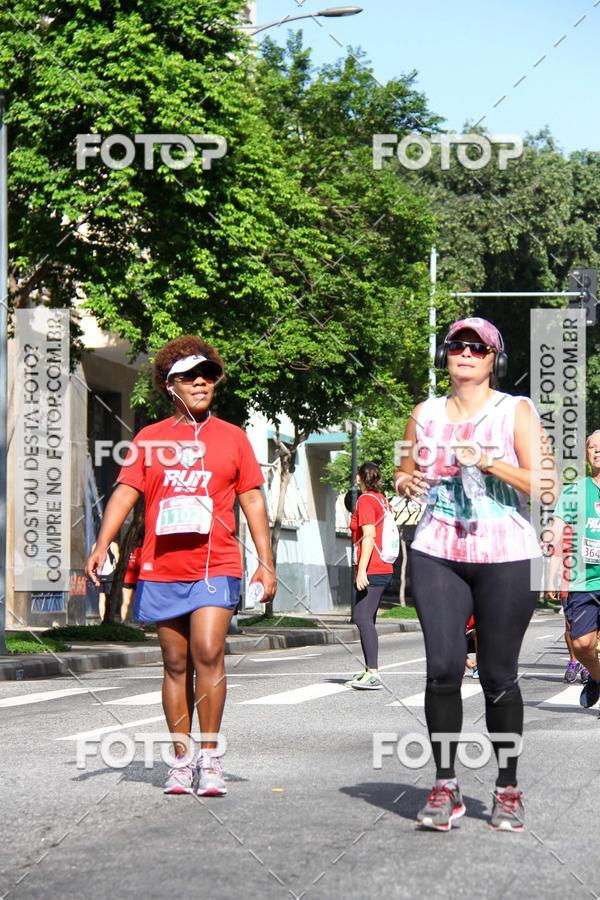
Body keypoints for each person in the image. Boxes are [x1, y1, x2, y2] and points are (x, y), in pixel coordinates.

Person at [85, 336, 276, 796]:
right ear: (170, 385)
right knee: (175, 663)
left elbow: (252, 500)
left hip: (216, 563)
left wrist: (265, 563)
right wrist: (102, 543)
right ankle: (181, 759)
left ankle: (209, 758)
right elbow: (126, 493)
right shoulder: (149, 439)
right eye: (190, 376)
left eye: (207, 375)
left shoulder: (233, 438)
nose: (201, 382)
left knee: (208, 651)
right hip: (162, 566)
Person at [395, 316, 554, 833]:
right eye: (457, 345)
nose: (465, 353)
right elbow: (401, 468)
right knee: (442, 669)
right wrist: (404, 481)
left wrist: (488, 461)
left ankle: (507, 789)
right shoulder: (424, 413)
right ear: (445, 355)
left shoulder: (516, 411)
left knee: (497, 675)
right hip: (437, 549)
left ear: (494, 360)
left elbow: (547, 486)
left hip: (506, 554)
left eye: (478, 348)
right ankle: (446, 785)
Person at [547, 431, 600, 708]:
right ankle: (596, 676)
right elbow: (556, 530)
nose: (597, 451)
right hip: (583, 581)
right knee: (581, 645)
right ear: (587, 455)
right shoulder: (575, 491)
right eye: (593, 447)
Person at [348, 462, 394, 690]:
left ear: (359, 477)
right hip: (383, 565)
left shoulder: (366, 500)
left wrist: (361, 570)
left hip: (373, 567)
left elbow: (369, 536)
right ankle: (369, 670)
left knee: (361, 617)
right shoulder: (381, 499)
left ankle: (373, 673)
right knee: (369, 618)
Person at [121, 530, 144, 625]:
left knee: (126, 601)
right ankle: (139, 623)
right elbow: (141, 565)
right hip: (137, 579)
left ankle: (124, 622)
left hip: (127, 579)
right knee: (137, 602)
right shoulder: (141, 550)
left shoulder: (127, 550)